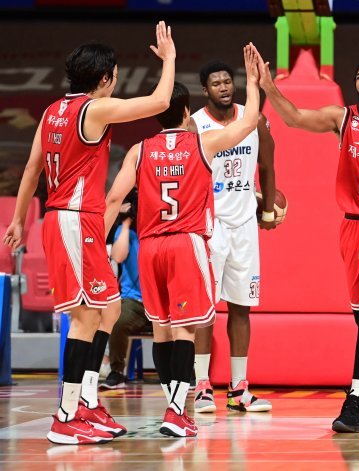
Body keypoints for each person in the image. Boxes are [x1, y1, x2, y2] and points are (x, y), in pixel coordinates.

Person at [3, 21, 176, 445]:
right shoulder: (93, 109)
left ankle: (88, 401)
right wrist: (170, 58)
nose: (116, 80)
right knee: (84, 317)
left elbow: (32, 170)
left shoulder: (51, 111)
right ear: (104, 78)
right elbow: (160, 101)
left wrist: (19, 219)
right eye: (114, 74)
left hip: (73, 220)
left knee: (110, 309)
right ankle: (66, 416)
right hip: (73, 220)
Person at [252, 45, 359, 432]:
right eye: (358, 76)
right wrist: (269, 87)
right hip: (353, 226)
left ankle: (355, 402)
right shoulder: (343, 118)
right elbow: (294, 118)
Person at [104, 45, 261, 438]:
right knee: (186, 330)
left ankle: (171, 409)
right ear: (188, 113)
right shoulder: (202, 142)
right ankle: (177, 411)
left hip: (150, 247)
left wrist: (95, 246)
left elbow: (112, 199)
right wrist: (253, 81)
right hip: (186, 243)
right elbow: (249, 122)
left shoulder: (139, 151)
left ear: (157, 113)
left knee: (161, 329)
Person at [189, 60, 276, 413]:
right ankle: (201, 386)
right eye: (216, 83)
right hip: (208, 227)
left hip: (243, 227)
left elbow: (267, 165)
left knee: (241, 307)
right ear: (205, 90)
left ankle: (239, 388)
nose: (224, 87)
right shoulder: (195, 125)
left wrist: (267, 211)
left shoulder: (254, 119)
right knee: (204, 309)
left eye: (228, 81)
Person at [100, 191, 152, 390]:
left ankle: (185, 373)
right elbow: (118, 256)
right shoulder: (126, 233)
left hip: (160, 301)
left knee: (183, 320)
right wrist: (127, 223)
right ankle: (116, 372)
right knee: (117, 320)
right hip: (135, 303)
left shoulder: (156, 230)